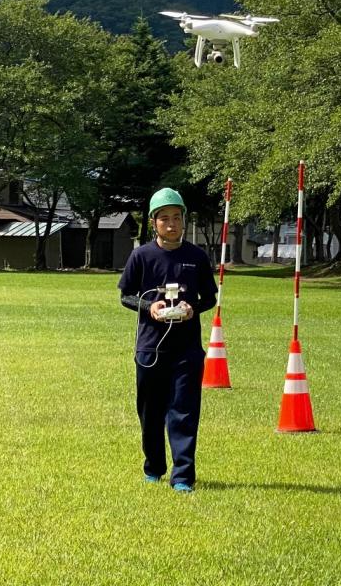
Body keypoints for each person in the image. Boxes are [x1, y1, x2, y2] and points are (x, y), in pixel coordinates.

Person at [118, 188, 218, 493]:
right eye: (164, 219)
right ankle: (154, 467)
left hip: (186, 349)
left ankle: (183, 476)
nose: (171, 224)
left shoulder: (196, 257)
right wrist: (151, 307)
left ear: (184, 220)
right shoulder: (142, 256)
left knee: (184, 411)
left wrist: (191, 308)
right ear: (153, 223)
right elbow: (125, 295)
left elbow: (209, 297)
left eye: (177, 217)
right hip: (150, 347)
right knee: (150, 412)